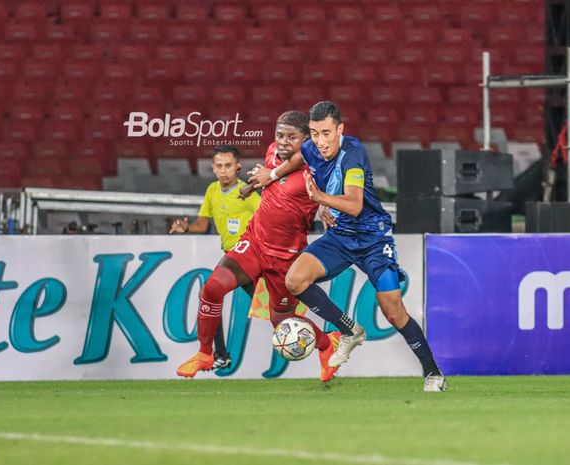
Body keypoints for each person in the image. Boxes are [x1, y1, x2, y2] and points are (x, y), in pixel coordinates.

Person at [284, 101, 448, 392]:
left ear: (340, 130)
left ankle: (433, 372)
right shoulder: (311, 148)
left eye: (326, 133)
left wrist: (321, 199)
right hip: (341, 235)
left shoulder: (353, 154)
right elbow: (300, 158)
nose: (320, 141)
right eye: (314, 133)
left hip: (373, 238)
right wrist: (273, 175)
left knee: (393, 312)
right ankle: (349, 330)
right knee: (295, 280)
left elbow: (356, 205)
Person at [176, 111, 343, 382]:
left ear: (307, 140)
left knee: (281, 322)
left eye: (292, 137)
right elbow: (269, 178)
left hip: (286, 257)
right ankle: (206, 353)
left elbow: (327, 188)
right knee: (213, 287)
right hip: (254, 242)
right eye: (279, 135)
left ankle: (326, 345)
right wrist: (252, 186)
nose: (283, 142)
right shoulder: (272, 153)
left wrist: (324, 206)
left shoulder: (315, 168)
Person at [170, 145, 261, 369]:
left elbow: (267, 218)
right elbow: (203, 224)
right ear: (213, 168)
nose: (223, 170)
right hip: (234, 259)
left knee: (211, 293)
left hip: (250, 256)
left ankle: (216, 355)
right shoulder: (212, 190)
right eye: (219, 166)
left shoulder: (247, 193)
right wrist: (187, 228)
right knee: (212, 295)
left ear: (237, 167)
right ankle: (219, 354)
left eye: (228, 165)